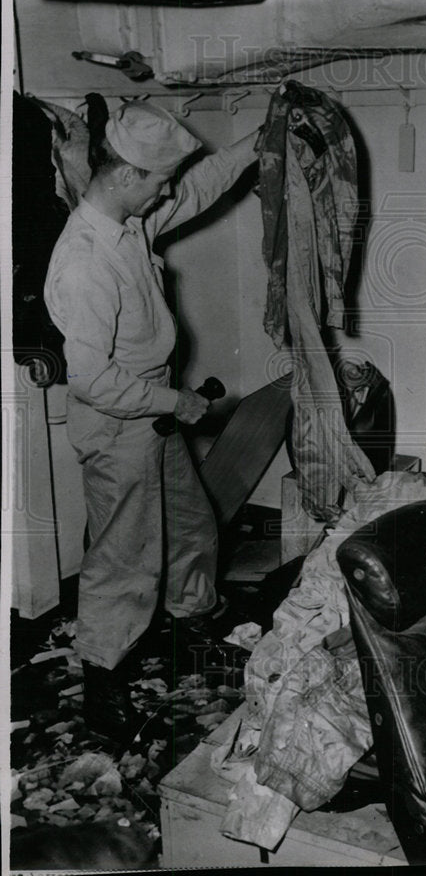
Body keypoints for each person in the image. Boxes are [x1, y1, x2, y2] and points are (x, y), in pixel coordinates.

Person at [44, 101, 260, 743]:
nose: (168, 191)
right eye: (158, 181)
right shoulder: (84, 260)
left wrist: (258, 139)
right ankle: (103, 688)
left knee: (191, 527)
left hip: (154, 414)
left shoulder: (129, 221)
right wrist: (177, 404)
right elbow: (88, 379)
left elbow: (197, 187)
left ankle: (191, 629)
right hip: (120, 423)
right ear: (123, 175)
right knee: (124, 558)